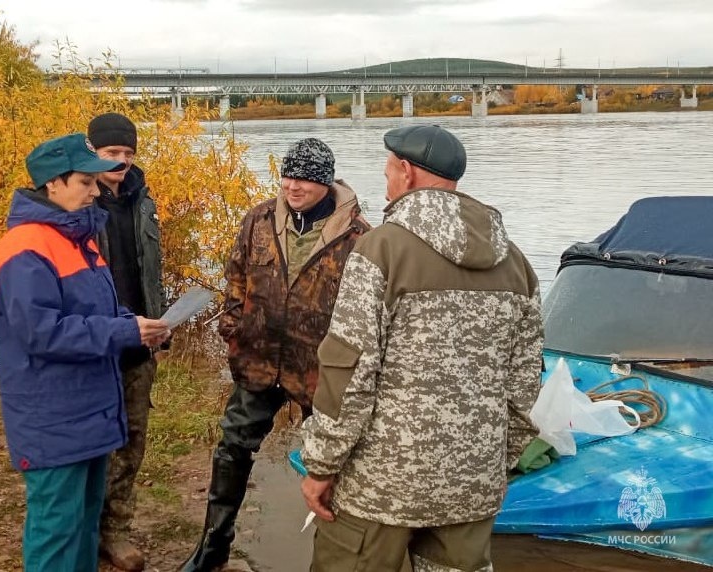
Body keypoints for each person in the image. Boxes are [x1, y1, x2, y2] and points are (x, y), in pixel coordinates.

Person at [300, 125, 544, 572]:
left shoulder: (381, 249)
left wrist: (321, 464)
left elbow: (348, 372)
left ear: (407, 173)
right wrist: (494, 458)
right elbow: (525, 382)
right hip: (471, 484)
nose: (388, 179)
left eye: (390, 169)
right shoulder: (517, 263)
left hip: (380, 485)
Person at [181, 138, 371, 571]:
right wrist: (234, 331)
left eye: (304, 177)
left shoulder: (361, 236)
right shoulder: (258, 219)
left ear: (325, 181)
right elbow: (235, 279)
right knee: (231, 449)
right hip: (258, 361)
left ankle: (332, 554)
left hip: (320, 374)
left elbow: (368, 314)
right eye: (288, 175)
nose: (293, 185)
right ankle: (212, 549)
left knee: (331, 463)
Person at [0, 133, 170, 572]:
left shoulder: (78, 238)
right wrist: (124, 331)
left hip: (89, 409)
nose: (95, 190)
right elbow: (43, 333)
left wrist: (140, 327)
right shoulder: (23, 249)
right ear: (54, 184)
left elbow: (98, 309)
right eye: (86, 182)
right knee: (56, 528)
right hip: (52, 413)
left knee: (85, 522)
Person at [87, 112, 169, 571]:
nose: (120, 161)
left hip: (141, 340)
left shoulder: (143, 199)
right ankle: (85, 528)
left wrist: (161, 323)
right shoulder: (75, 202)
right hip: (96, 344)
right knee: (94, 442)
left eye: (127, 153)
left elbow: (149, 270)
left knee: (133, 439)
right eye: (110, 153)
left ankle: (115, 530)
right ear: (91, 151)